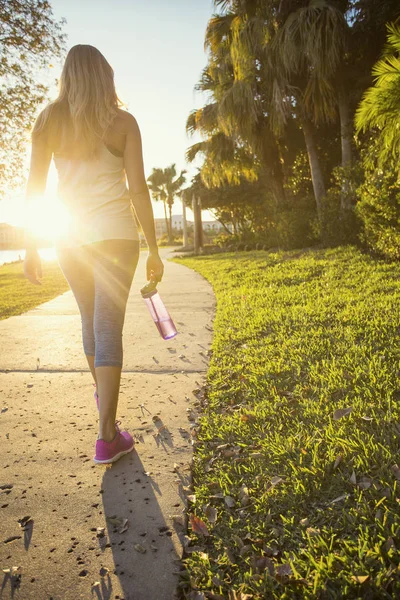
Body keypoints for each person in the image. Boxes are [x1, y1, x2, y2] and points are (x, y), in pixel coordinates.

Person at [23, 44, 164, 464]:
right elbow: (138, 188)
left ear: (67, 77)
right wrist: (154, 247)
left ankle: (107, 418)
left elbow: (34, 188)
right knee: (106, 326)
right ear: (105, 76)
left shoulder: (48, 121)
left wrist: (33, 245)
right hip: (117, 238)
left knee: (92, 322)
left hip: (70, 240)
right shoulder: (123, 122)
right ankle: (106, 433)